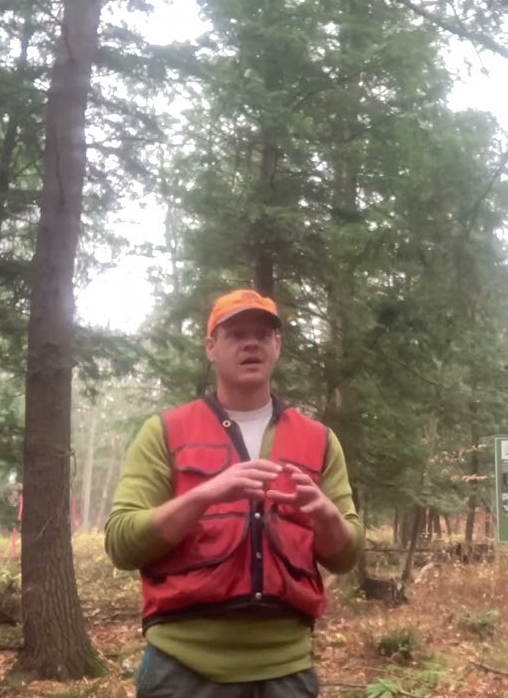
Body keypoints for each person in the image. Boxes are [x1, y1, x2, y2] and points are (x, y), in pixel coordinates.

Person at [105, 288, 364, 698]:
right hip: (182, 670)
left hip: (287, 671)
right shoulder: (166, 431)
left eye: (263, 334)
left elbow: (345, 556)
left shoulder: (319, 440)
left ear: (277, 346)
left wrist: (327, 516)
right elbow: (121, 542)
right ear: (211, 347)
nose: (251, 343)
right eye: (236, 333)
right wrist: (204, 495)